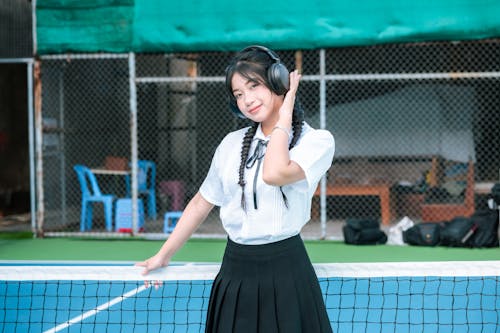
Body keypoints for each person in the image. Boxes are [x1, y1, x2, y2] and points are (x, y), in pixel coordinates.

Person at [136, 45, 335, 332]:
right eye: (239, 94)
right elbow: (200, 203)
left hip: (287, 271)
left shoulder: (316, 142)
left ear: (278, 81)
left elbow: (275, 172)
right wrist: (164, 254)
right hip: (235, 271)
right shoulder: (231, 144)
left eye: (253, 86)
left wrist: (285, 112)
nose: (247, 100)